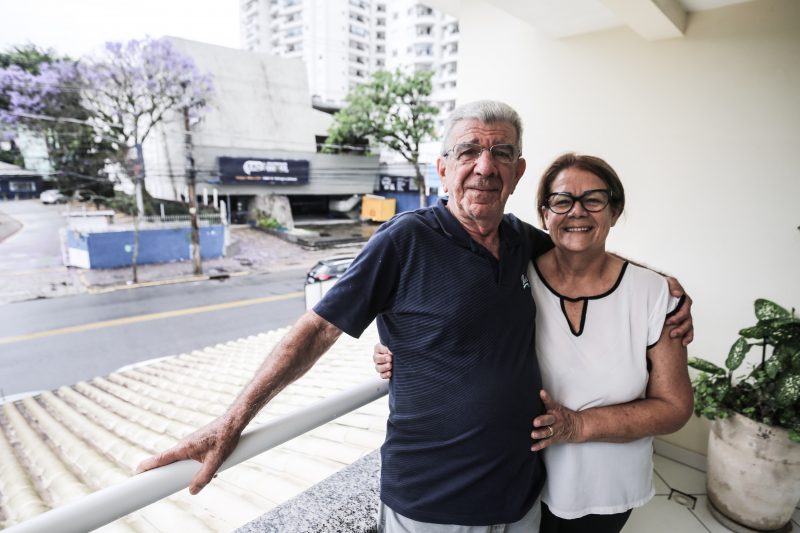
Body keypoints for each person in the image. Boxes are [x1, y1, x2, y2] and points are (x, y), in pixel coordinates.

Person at [137, 101, 692, 532]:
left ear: (519, 171)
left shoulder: (525, 241)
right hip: (430, 502)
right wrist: (232, 420)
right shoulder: (405, 239)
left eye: (501, 153)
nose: (484, 166)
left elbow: (586, 248)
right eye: (469, 150)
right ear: (443, 165)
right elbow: (317, 329)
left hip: (521, 496)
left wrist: (662, 286)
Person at [373, 152, 694, 533]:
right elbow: (454, 321)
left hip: (607, 489)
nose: (577, 212)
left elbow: (675, 408)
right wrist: (406, 351)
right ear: (544, 214)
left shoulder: (654, 294)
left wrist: (577, 425)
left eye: (593, 199)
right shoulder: (516, 273)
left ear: (614, 210)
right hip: (520, 484)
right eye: (562, 201)